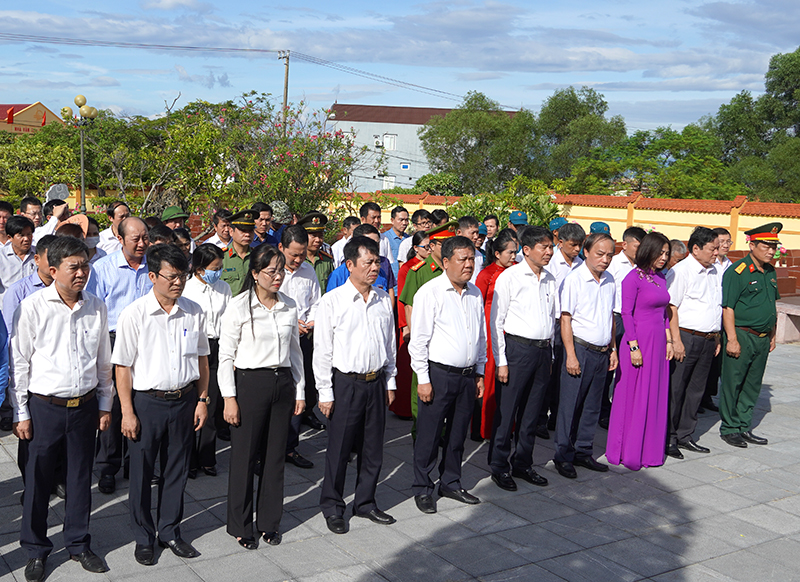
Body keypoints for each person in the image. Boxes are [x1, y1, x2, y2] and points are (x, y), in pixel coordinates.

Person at [10, 236, 113, 582]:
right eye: (74, 267)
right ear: (53, 270)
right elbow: (20, 361)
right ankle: (36, 550)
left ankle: (78, 543)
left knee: (81, 478)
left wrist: (104, 403)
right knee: (38, 481)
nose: (82, 272)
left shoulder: (96, 306)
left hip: (84, 406)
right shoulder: (34, 306)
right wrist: (20, 412)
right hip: (44, 408)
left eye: (85, 265)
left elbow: (103, 361)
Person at [113, 243, 210, 565]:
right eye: (171, 277)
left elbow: (202, 360)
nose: (178, 283)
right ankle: (143, 536)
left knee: (177, 471)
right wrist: (127, 412)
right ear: (153, 276)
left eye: (182, 276)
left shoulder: (194, 310)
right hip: (147, 404)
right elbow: (122, 367)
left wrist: (202, 399)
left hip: (183, 400)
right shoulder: (134, 314)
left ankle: (169, 530)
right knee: (141, 474)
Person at [218, 243, 305, 548]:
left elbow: (295, 352)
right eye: (271, 271)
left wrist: (300, 390)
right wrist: (229, 398)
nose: (277, 276)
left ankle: (269, 521)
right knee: (244, 457)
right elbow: (225, 357)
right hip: (249, 384)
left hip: (281, 383)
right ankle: (241, 525)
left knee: (274, 457)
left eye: (281, 270)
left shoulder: (289, 306)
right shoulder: (239, 306)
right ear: (255, 274)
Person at [315, 236, 398, 533]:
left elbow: (390, 345)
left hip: (375, 381)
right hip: (345, 383)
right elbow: (322, 350)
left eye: (377, 262)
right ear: (350, 265)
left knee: (373, 447)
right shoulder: (332, 301)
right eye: (369, 262)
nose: (375, 268)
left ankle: (365, 502)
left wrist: (390, 382)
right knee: (339, 448)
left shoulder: (381, 300)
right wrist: (325, 392)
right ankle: (332, 505)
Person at [409, 235, 486, 514]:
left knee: (457, 434)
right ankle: (422, 486)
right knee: (429, 434)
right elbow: (418, 342)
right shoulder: (430, 293)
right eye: (462, 259)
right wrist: (424, 379)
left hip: (466, 376)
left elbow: (480, 336)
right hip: (438, 374)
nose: (468, 265)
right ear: (445, 262)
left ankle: (451, 481)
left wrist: (479, 371)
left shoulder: (475, 293)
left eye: (472, 259)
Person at [86, 216, 153, 495]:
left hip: (148, 341)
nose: (141, 243)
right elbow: (92, 309)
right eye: (135, 238)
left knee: (141, 401)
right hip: (114, 340)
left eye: (145, 238)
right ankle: (107, 466)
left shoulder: (155, 267)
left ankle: (134, 463)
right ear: (120, 239)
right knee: (113, 406)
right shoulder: (102, 268)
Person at [488, 226, 556, 491]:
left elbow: (551, 317)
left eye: (551, 247)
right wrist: (501, 360)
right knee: (508, 411)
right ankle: (499, 466)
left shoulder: (550, 278)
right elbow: (497, 322)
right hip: (517, 350)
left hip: (541, 351)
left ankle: (523, 463)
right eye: (544, 247)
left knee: (531, 412)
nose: (549, 252)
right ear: (526, 250)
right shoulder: (510, 277)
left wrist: (549, 354)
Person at [606, 232, 673, 471]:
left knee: (654, 395)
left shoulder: (661, 278)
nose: (664, 257)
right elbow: (626, 313)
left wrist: (669, 340)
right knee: (633, 397)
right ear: (648, 251)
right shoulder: (632, 278)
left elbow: (664, 313)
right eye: (660, 252)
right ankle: (626, 450)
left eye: (667, 253)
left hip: (658, 344)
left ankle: (650, 451)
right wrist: (633, 346)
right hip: (638, 343)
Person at [554, 232, 618, 479]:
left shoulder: (610, 280)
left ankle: (583, 450)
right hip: (579, 349)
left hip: (602, 352)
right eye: (600, 254)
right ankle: (562, 454)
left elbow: (610, 316)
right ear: (587, 252)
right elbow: (566, 319)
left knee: (592, 406)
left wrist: (613, 348)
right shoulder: (575, 280)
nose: (605, 260)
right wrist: (570, 355)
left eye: (609, 255)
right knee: (570, 405)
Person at [719, 223, 781, 448]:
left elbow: (771, 304)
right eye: (766, 245)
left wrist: (772, 334)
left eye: (774, 246)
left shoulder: (770, 271)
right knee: (733, 383)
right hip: (742, 335)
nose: (771, 250)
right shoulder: (738, 272)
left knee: (753, 384)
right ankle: (729, 428)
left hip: (763, 338)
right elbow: (728, 308)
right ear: (752, 244)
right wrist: (732, 339)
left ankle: (744, 426)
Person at [666, 227, 721, 458]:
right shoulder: (681, 271)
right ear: (695, 248)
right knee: (676, 388)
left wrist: (716, 336)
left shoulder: (715, 271)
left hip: (708, 340)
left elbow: (715, 306)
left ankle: (685, 435)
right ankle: (668, 438)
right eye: (713, 248)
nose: (716, 253)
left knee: (696, 391)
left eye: (718, 248)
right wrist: (676, 340)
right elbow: (671, 308)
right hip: (686, 337)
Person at [398, 222, 454, 438]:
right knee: (420, 388)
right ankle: (419, 431)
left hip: (446, 344)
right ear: (432, 247)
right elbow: (409, 306)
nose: (448, 248)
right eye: (444, 244)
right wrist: (414, 339)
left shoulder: (452, 271)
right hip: (425, 342)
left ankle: (441, 431)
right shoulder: (418, 272)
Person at [182, 244, 232, 479]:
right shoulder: (187, 290)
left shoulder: (224, 288)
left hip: (218, 346)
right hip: (193, 349)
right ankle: (189, 459)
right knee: (193, 405)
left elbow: (229, 321)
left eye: (220, 267)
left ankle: (207, 457)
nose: (218, 272)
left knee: (211, 405)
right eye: (214, 268)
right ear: (200, 269)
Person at [280, 225, 323, 467]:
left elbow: (316, 301)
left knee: (302, 390)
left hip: (304, 339)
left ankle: (290, 447)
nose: (298, 260)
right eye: (293, 254)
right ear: (281, 248)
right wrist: (291, 322)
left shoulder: (309, 271)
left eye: (302, 254)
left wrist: (311, 320)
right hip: (279, 341)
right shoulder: (272, 271)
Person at [538, 222, 586, 437]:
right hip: (552, 323)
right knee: (547, 373)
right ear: (561, 242)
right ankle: (539, 419)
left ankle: (557, 417)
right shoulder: (549, 264)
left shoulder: (581, 265)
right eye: (573, 245)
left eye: (580, 245)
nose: (577, 250)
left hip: (571, 324)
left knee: (563, 373)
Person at [474, 229, 518, 441]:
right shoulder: (486, 274)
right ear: (497, 253)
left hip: (513, 330)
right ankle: (485, 428)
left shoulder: (518, 271)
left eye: (515, 252)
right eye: (509, 252)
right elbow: (478, 305)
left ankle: (508, 427)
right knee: (490, 379)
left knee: (511, 382)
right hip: (490, 332)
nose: (513, 256)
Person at [601, 226, 647, 429]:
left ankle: (620, 405)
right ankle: (603, 409)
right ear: (625, 244)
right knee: (609, 366)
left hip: (635, 320)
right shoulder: (614, 265)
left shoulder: (642, 268)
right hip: (616, 318)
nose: (640, 251)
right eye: (637, 246)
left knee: (627, 366)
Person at [394, 231, 431, 419]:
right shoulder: (408, 268)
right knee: (408, 369)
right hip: (410, 324)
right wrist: (405, 327)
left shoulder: (433, 268)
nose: (429, 249)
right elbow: (403, 300)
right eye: (426, 246)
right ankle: (404, 408)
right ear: (415, 248)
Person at [701, 227, 733, 413]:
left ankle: (708, 395)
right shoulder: (709, 265)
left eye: (728, 241)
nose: (725, 245)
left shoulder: (730, 265)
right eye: (722, 241)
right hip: (708, 317)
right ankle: (700, 396)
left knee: (716, 360)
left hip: (722, 317)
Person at [326, 224, 396, 299]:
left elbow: (389, 291)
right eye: (369, 243)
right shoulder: (338, 275)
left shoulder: (381, 271)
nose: (374, 267)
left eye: (377, 243)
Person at [3, 235, 57, 334]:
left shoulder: (69, 289)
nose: (56, 264)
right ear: (37, 259)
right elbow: (9, 330)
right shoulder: (18, 290)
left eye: (60, 260)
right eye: (51, 259)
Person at [0, 216, 36, 303]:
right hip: (8, 308)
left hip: (34, 308)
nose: (26, 239)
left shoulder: (39, 254)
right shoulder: (1, 256)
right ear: (10, 238)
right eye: (21, 235)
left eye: (29, 234)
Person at [221, 210, 257, 296]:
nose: (247, 234)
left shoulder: (257, 256)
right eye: (243, 230)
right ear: (231, 231)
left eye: (250, 230)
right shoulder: (221, 257)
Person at [298, 211, 335, 292]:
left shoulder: (326, 260)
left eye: (320, 236)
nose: (318, 240)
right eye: (313, 236)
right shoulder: (297, 260)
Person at [381, 206, 410, 280]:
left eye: (406, 220)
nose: (404, 223)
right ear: (392, 220)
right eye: (401, 220)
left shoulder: (409, 239)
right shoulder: (384, 239)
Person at [457, 216, 484, 283]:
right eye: (472, 233)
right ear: (459, 232)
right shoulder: (452, 253)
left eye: (477, 233)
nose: (476, 237)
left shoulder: (479, 255)